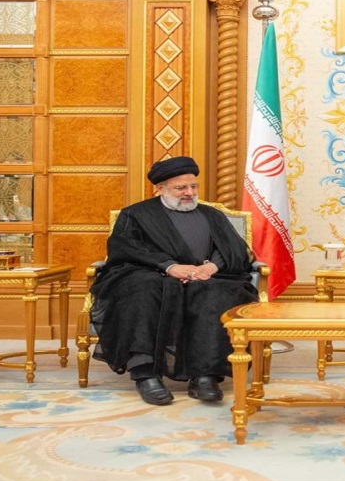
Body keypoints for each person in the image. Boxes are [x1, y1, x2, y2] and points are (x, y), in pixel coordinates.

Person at [89, 156, 260, 406]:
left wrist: (211, 267)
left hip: (207, 275)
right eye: (181, 188)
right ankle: (146, 375)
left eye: (193, 186)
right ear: (160, 188)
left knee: (217, 293)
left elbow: (233, 249)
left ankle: (205, 376)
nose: (189, 192)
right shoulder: (136, 215)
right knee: (141, 289)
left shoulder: (212, 215)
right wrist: (171, 267)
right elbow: (125, 250)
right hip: (152, 275)